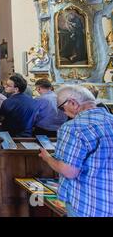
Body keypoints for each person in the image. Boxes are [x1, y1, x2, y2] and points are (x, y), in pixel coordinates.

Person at [39, 86, 113, 217]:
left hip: (88, 202)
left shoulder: (73, 127)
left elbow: (69, 171)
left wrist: (47, 158)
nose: (63, 113)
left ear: (72, 103)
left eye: (61, 108)